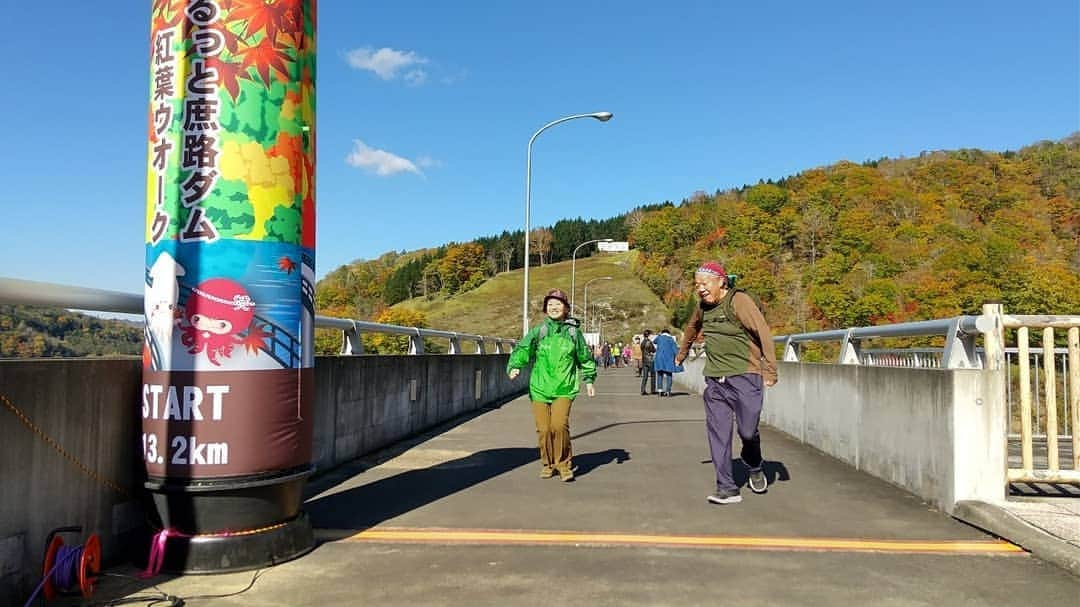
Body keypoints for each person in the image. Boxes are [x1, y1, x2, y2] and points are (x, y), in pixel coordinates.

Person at [675, 261, 777, 505]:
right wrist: (682, 352)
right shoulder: (703, 306)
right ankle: (727, 488)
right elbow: (692, 327)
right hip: (716, 380)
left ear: (721, 281)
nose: (700, 288)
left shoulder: (738, 301)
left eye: (705, 283)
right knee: (718, 434)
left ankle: (753, 462)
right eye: (697, 284)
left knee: (747, 431)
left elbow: (763, 331)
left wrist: (770, 369)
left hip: (746, 375)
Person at [507, 288, 597, 482]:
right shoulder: (539, 332)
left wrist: (589, 379)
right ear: (545, 309)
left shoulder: (573, 334)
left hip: (565, 387)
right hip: (539, 387)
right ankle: (548, 464)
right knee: (544, 429)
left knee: (559, 425)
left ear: (566, 308)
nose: (554, 307)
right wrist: (515, 365)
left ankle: (564, 465)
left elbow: (585, 357)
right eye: (550, 305)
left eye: (558, 304)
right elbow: (523, 348)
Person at [652, 328, 679, 396]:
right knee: (669, 375)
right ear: (668, 333)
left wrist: (658, 335)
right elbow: (675, 350)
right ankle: (668, 391)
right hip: (668, 360)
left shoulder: (660, 338)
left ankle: (660, 391)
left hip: (659, 359)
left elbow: (654, 341)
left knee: (660, 375)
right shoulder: (671, 339)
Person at [639, 329, 656, 395]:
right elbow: (653, 350)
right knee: (653, 375)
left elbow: (642, 350)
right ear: (648, 335)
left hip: (644, 360)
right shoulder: (649, 342)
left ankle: (642, 390)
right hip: (650, 360)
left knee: (645, 376)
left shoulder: (642, 342)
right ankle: (653, 390)